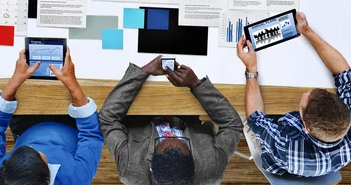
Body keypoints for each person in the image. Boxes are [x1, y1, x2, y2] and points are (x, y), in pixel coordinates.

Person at [236, 12, 351, 177]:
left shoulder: (287, 147)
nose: (306, 93)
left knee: (237, 108)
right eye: (315, 92)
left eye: (304, 102)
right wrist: (307, 31)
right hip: (317, 161)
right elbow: (345, 73)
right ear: (342, 106)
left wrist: (251, 68)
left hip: (279, 155)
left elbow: (255, 118)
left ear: (305, 127)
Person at [99, 56, 243, 185]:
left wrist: (143, 72)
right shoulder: (211, 171)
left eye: (162, 141)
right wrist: (196, 84)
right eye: (182, 141)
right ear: (194, 162)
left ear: (151, 163)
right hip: (187, 110)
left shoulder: (131, 171)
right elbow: (233, 125)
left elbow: (107, 119)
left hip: (140, 110)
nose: (171, 134)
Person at [0, 49, 103, 185]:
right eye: (38, 153)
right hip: (73, 123)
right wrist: (72, 84)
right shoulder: (76, 179)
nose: (36, 146)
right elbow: (91, 135)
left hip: (26, 127)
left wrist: (14, 81)